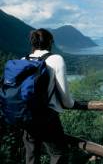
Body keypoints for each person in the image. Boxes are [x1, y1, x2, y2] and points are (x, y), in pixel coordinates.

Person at [23, 28, 81, 164]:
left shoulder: (23, 60)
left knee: (31, 156)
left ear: (32, 43)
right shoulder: (56, 59)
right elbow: (66, 100)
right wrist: (73, 104)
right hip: (47, 118)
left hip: (26, 117)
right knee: (58, 153)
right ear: (50, 42)